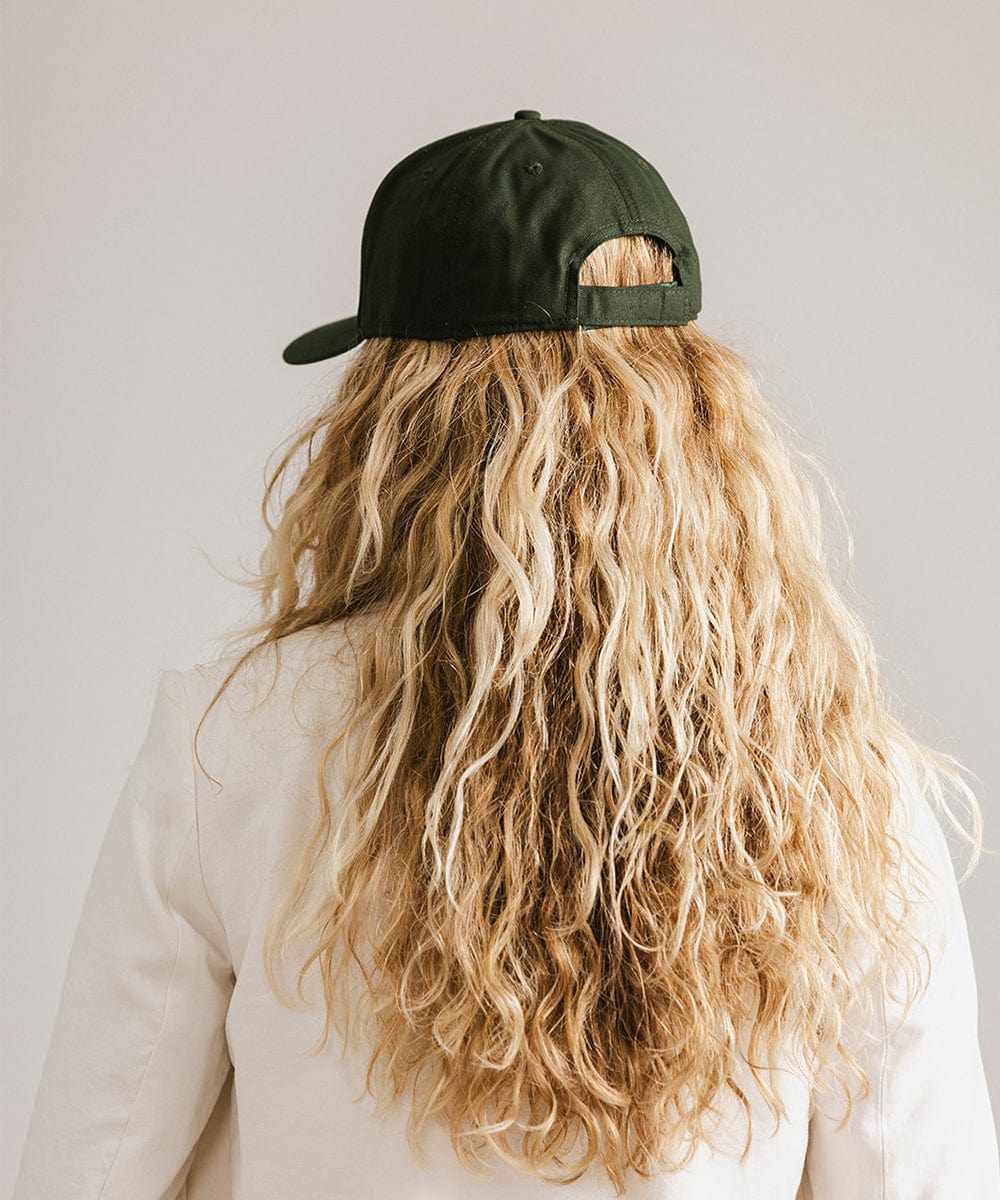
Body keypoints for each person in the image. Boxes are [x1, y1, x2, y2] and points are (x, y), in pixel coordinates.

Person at [13, 109, 1000, 1200]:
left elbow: (86, 1171)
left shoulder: (229, 744)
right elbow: (922, 1182)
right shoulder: (841, 783)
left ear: (391, 418)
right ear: (700, 410)